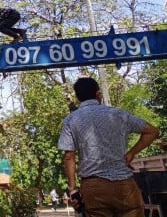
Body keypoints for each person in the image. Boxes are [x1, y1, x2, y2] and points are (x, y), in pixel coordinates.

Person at [58, 77, 159, 217]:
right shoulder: (118, 114)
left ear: (78, 97)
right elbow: (152, 131)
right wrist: (131, 153)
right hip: (124, 185)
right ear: (98, 94)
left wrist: (73, 189)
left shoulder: (71, 120)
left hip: (93, 188)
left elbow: (69, 156)